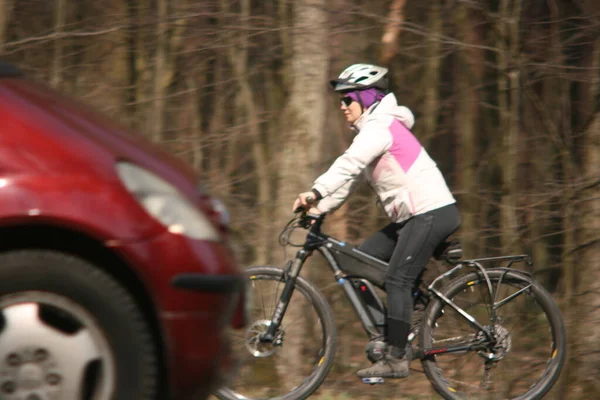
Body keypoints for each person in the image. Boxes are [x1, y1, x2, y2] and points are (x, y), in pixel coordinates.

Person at [292, 63, 461, 379]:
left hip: (430, 212)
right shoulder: (375, 129)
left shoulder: (379, 128)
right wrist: (319, 209)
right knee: (357, 262)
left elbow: (348, 164)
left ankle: (397, 358)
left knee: (397, 279)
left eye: (347, 99)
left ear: (366, 97)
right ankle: (397, 327)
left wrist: (315, 192)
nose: (342, 107)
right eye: (341, 101)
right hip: (413, 217)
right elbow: (350, 179)